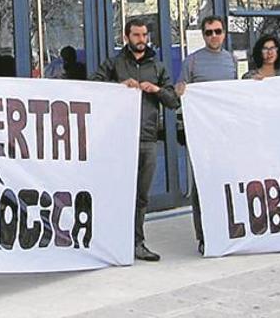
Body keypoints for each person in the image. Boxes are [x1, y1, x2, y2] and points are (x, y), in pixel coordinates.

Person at [92, 18, 179, 262]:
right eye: (136, 35)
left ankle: (137, 243)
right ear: (126, 37)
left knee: (141, 196)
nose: (141, 40)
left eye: (144, 35)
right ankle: (112, 242)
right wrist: (118, 85)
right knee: (116, 193)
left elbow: (174, 101)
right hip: (118, 140)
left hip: (147, 139)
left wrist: (157, 90)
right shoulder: (114, 63)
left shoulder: (158, 67)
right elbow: (93, 88)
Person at [174, 15, 237, 255]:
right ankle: (203, 235)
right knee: (201, 184)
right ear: (203, 35)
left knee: (224, 181)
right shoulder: (192, 62)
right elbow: (180, 91)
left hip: (226, 133)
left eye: (217, 31)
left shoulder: (231, 59)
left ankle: (224, 228)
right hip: (202, 135)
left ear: (224, 33)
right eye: (209, 32)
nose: (214, 36)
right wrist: (179, 90)